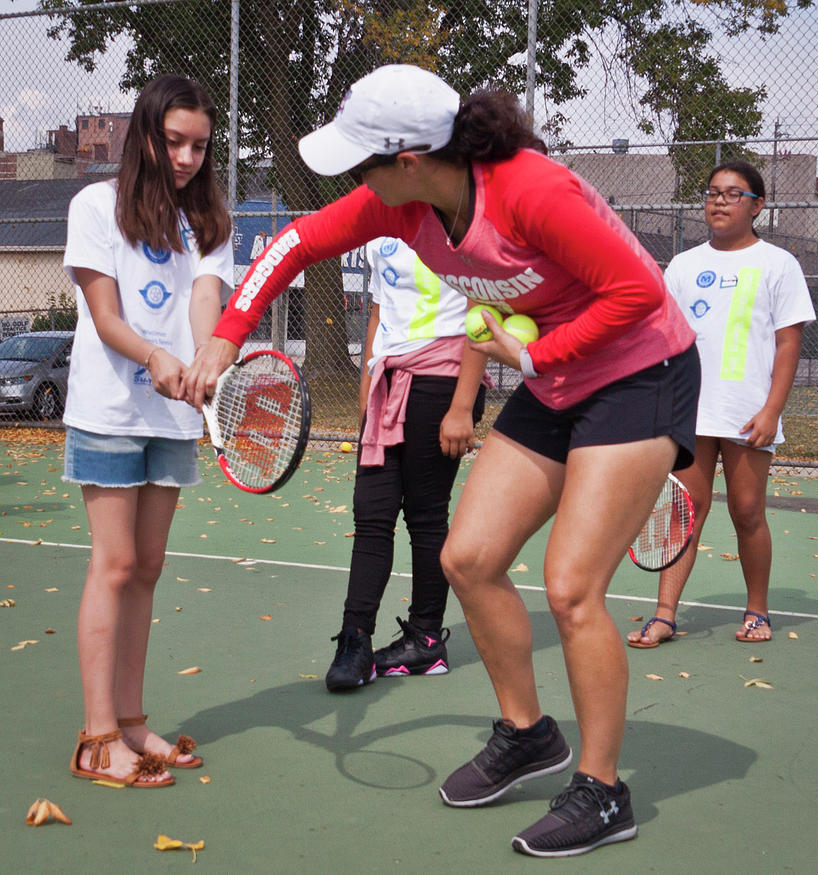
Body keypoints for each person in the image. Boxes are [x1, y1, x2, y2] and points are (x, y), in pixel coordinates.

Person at [182, 64, 699, 857]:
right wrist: (226, 337)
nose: (356, 180)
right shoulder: (404, 204)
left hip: (641, 370)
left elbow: (637, 289)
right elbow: (296, 240)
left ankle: (603, 790)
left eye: (363, 164)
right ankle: (528, 734)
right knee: (469, 556)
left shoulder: (533, 192)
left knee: (571, 586)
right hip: (556, 375)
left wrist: (537, 353)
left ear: (411, 159)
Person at [62, 75, 234, 787]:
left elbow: (204, 302)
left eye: (199, 144)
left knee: (150, 567)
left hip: (169, 419)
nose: (188, 157)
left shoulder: (206, 223)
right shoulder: (95, 204)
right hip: (108, 410)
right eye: (174, 141)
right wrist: (155, 356)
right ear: (146, 135)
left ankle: (131, 722)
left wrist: (199, 361)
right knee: (115, 563)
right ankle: (96, 739)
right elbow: (106, 318)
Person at [627, 160, 815, 649]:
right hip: (690, 411)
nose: (719, 201)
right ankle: (665, 614)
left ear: (758, 205)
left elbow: (789, 343)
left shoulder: (779, 263)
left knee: (748, 511)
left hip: (749, 411)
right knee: (684, 512)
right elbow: (664, 338)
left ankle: (757, 611)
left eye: (733, 193)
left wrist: (772, 410)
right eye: (712, 192)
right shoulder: (685, 265)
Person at [325, 236, 489, 692]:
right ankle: (354, 641)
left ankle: (425, 638)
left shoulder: (458, 229)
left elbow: (480, 316)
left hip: (443, 380)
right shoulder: (380, 233)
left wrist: (461, 406)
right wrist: (366, 384)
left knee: (426, 514)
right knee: (371, 514)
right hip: (388, 379)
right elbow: (378, 315)